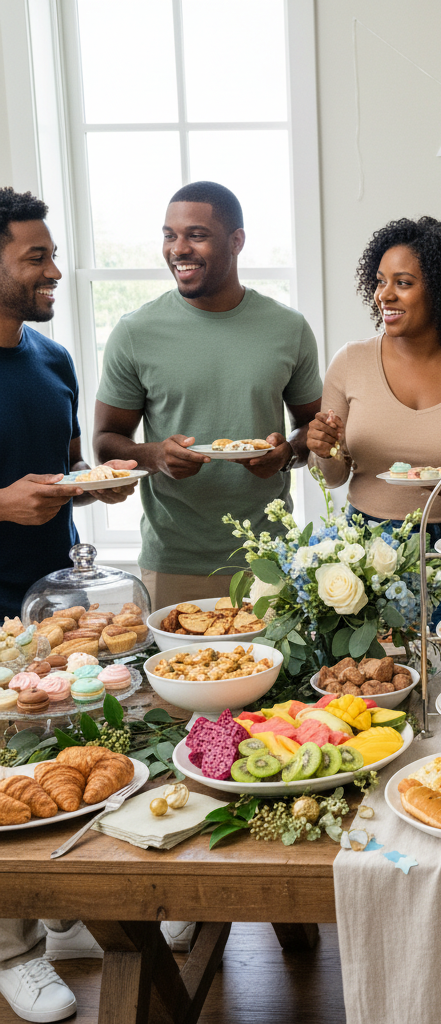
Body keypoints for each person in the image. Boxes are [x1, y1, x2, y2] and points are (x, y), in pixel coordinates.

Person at [0, 186, 137, 1021]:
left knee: (66, 750)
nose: (55, 269)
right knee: (4, 778)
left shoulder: (53, 359)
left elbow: (69, 467)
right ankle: (11, 951)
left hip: (53, 607)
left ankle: (58, 920)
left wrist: (103, 488)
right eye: (36, 257)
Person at [92, 182, 322, 609]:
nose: (178, 248)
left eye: (196, 235)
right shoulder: (135, 332)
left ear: (236, 241)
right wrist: (157, 456)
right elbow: (106, 440)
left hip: (269, 559)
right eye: (169, 235)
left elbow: (315, 428)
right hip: (173, 562)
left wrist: (286, 454)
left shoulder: (288, 328)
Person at [306, 216, 441, 616]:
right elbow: (335, 476)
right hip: (367, 546)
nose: (384, 295)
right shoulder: (350, 362)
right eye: (379, 281)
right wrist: (324, 451)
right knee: (375, 674)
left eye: (403, 283)